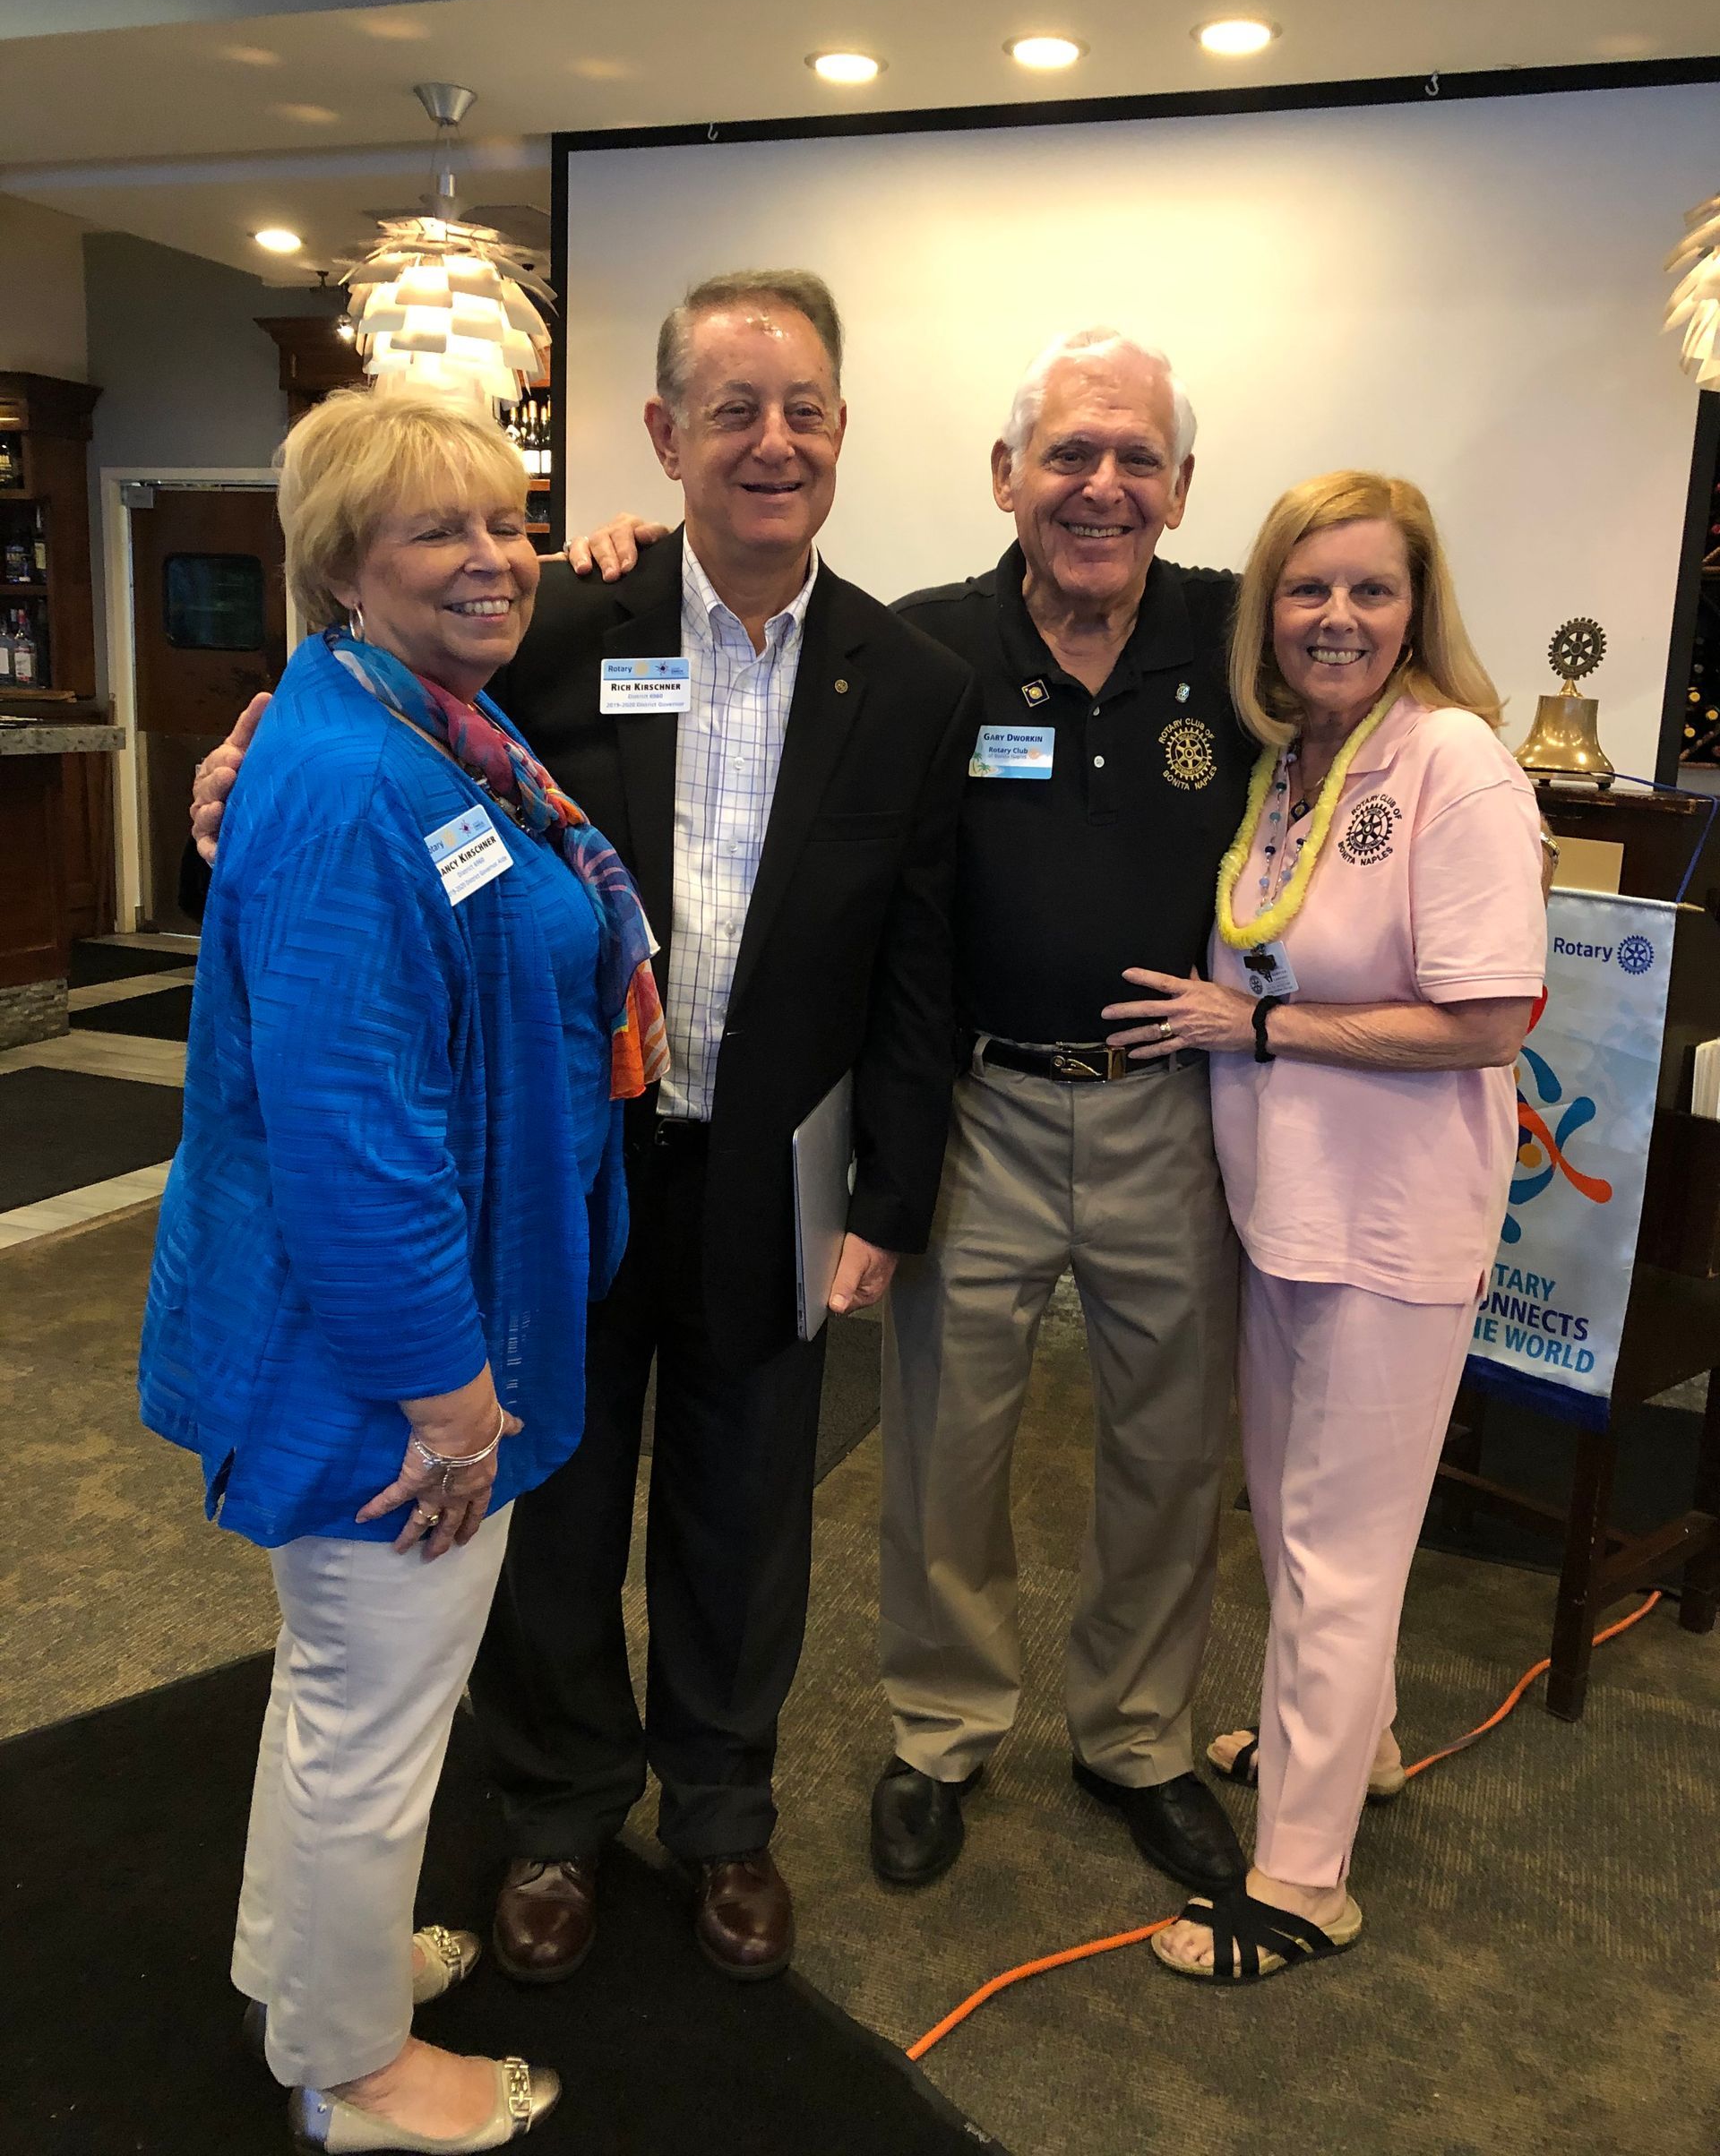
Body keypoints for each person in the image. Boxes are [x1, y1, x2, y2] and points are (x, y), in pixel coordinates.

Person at [192, 270, 979, 1987]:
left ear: (843, 432)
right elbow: (366, 715)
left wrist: (889, 1199)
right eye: (733, 412)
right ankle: (554, 1813)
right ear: (663, 438)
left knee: (747, 1506)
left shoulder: (906, 684)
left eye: (805, 412)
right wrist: (235, 768)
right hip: (560, 1173)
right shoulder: (554, 625)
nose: (773, 445)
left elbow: (921, 971)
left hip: (776, 1177)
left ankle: (719, 1811)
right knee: (548, 1497)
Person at [563, 329, 1257, 1899]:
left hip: (1171, 1117)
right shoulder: (926, 656)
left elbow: (1385, 647)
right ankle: (941, 1732)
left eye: (1136, 459)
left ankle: (1136, 1736)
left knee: (1166, 1453)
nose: (1100, 486)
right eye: (1068, 455)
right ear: (1005, 475)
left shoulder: (1236, 644)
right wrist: (607, 541)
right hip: (980, 1106)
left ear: (1183, 487)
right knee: (944, 1445)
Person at [143, 386, 663, 2149]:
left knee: (342, 1698)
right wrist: (451, 1405)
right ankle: (355, 2071)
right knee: (376, 1719)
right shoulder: (361, 774)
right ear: (342, 559)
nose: (493, 555)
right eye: (437, 527)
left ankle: (313, 1978)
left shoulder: (421, 730)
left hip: (403, 1338)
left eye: (506, 518)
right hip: (383, 1370)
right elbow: (359, 1146)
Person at [1103, 469, 1545, 1983]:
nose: (1338, 616)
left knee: (1340, 1544)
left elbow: (1489, 1020)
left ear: (1419, 603)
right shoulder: (1292, 762)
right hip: (1283, 1211)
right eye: (1308, 588)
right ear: (1266, 614)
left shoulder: (1458, 762)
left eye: (1371, 587)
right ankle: (1358, 1744)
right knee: (1299, 1519)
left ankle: (1302, 1884)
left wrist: (1267, 1030)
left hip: (1391, 1223)